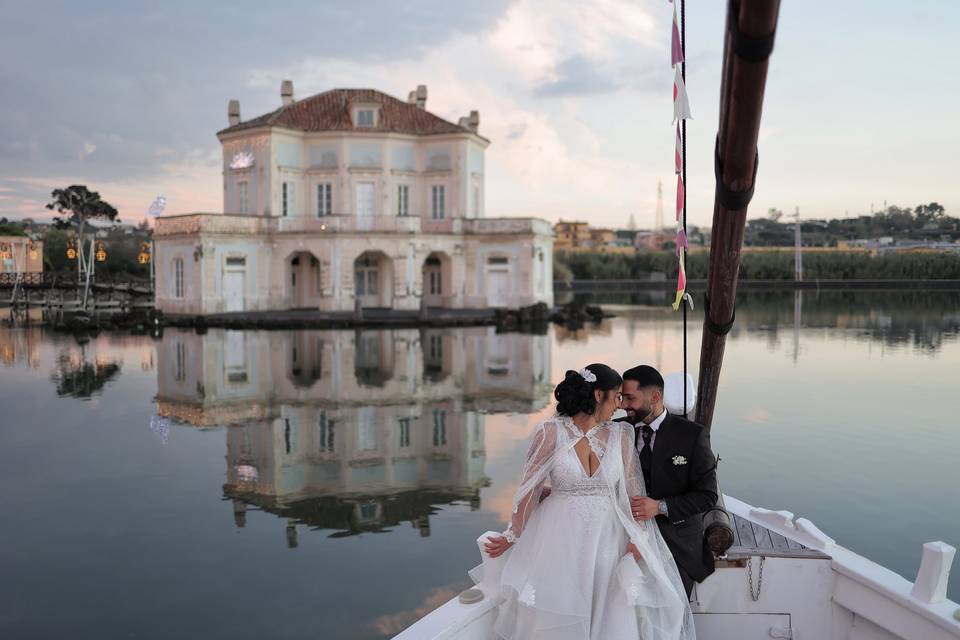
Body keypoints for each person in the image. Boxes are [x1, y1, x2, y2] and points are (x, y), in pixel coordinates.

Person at [479, 364, 694, 640]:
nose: (619, 406)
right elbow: (528, 490)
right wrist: (512, 535)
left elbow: (634, 495)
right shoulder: (550, 432)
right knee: (561, 611)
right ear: (597, 395)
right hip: (560, 541)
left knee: (609, 614)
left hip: (610, 540)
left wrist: (638, 538)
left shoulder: (621, 435)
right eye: (617, 396)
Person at [619, 365, 718, 598]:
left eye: (631, 398)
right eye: (622, 398)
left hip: (677, 545)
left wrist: (660, 506)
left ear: (655, 397)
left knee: (671, 619)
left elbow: (708, 495)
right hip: (625, 540)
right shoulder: (618, 431)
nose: (624, 406)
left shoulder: (693, 435)